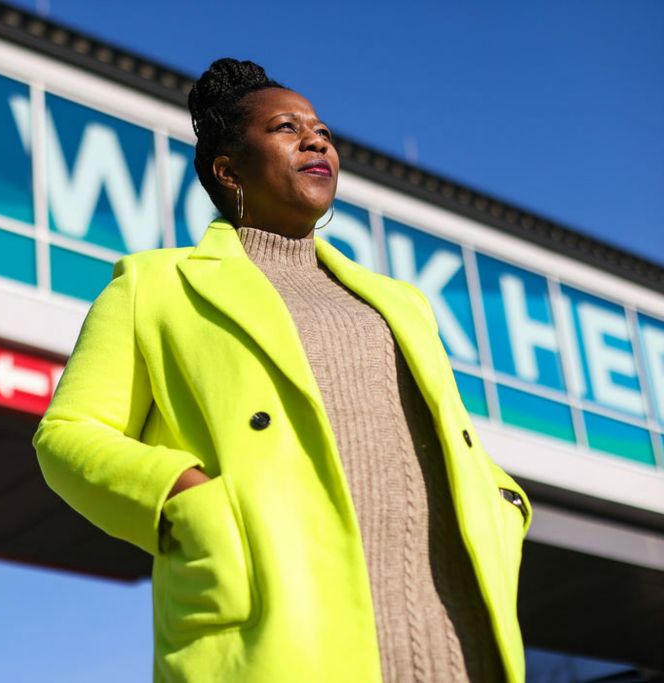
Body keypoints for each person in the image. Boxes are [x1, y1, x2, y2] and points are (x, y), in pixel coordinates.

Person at [32, 58, 531, 683]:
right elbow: (67, 434)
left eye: (321, 129)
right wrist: (187, 500)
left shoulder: (401, 302)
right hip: (275, 622)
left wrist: (502, 503)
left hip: (454, 629)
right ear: (228, 169)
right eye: (286, 128)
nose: (316, 139)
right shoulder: (153, 286)